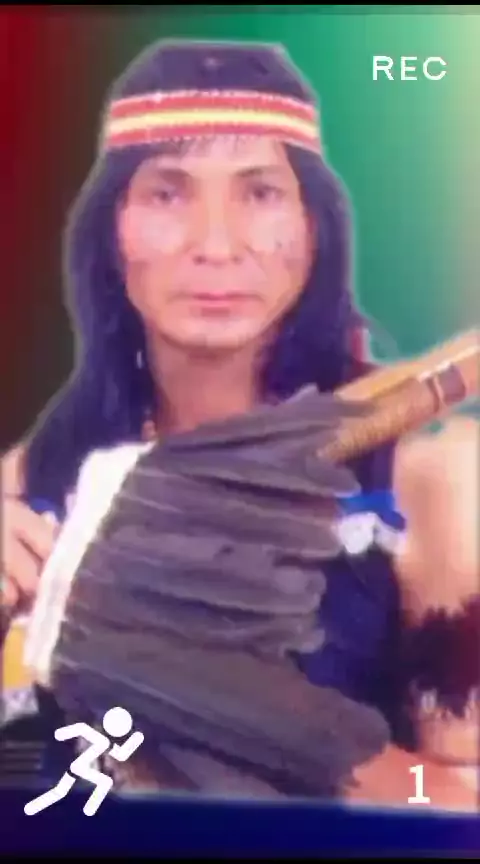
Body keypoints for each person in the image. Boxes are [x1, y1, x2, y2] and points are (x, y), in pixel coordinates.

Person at [1, 40, 478, 809]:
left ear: (314, 227)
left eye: (260, 193)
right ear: (110, 232)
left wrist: (267, 726)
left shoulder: (432, 478)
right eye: (167, 194)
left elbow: (463, 807)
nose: (217, 246)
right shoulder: (34, 483)